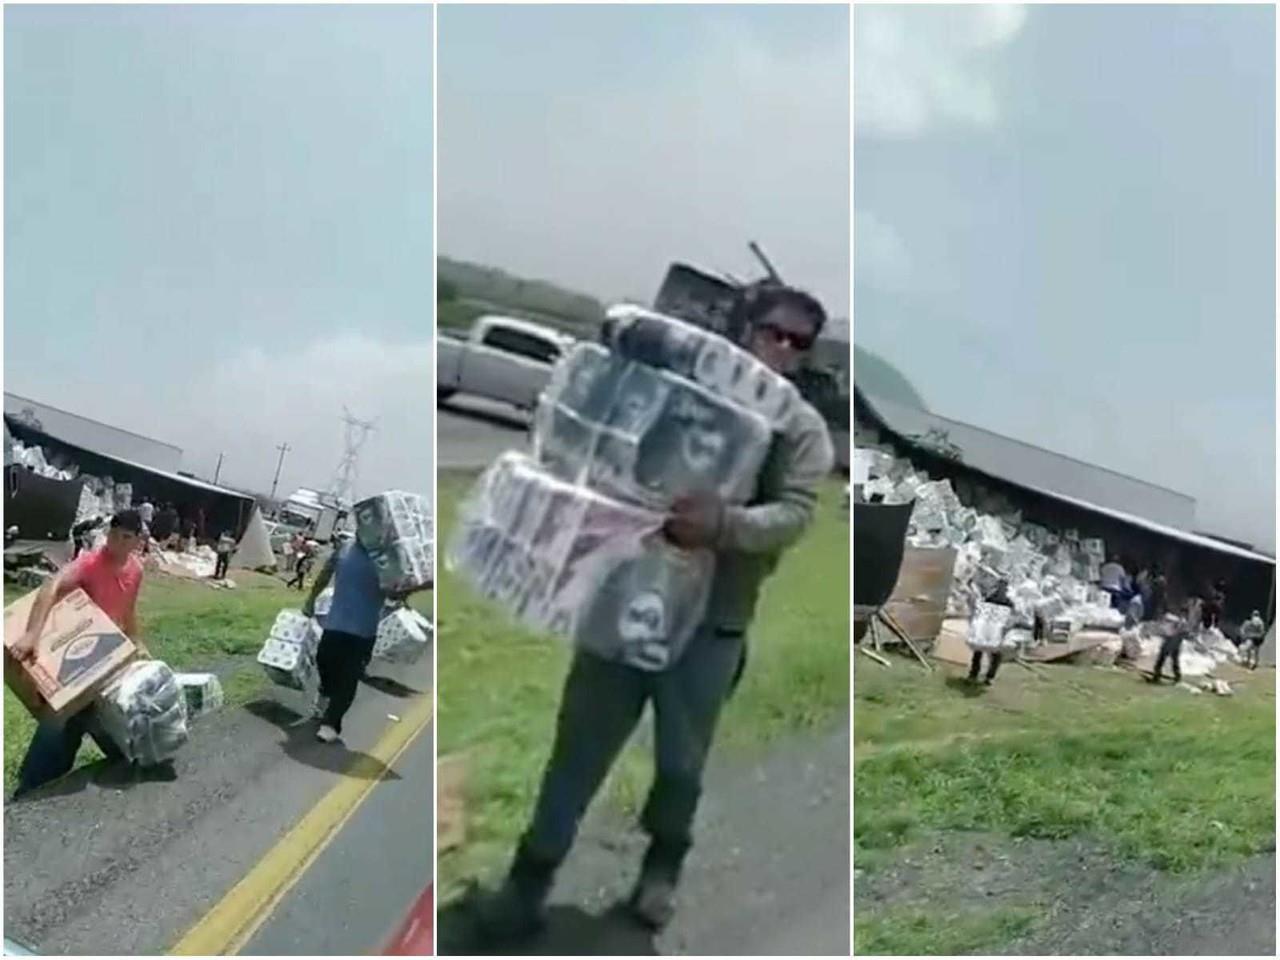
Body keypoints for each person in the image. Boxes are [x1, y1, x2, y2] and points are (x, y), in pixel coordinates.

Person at [477, 284, 835, 941]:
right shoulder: (682, 391)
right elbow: (613, 441)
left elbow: (797, 514)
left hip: (711, 627)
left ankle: (661, 867)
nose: (780, 347)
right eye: (772, 330)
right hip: (622, 601)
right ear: (745, 326)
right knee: (577, 751)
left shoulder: (802, 430)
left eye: (797, 341)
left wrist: (723, 523)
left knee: (680, 765)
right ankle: (527, 884)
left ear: (807, 354)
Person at [10, 510, 150, 797]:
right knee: (60, 723)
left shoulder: (136, 570)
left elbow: (129, 610)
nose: (117, 542)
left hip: (110, 658)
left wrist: (136, 641)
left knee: (113, 724)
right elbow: (52, 587)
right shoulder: (89, 563)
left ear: (137, 541)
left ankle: (126, 767)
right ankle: (29, 791)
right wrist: (33, 634)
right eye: (113, 534)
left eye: (126, 537)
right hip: (80, 661)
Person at [301, 536, 419, 743]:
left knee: (349, 677)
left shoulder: (388, 555)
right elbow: (325, 573)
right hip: (335, 623)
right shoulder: (345, 548)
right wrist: (311, 600)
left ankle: (331, 723)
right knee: (324, 662)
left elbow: (395, 593)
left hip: (364, 631)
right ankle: (325, 692)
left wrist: (405, 585)